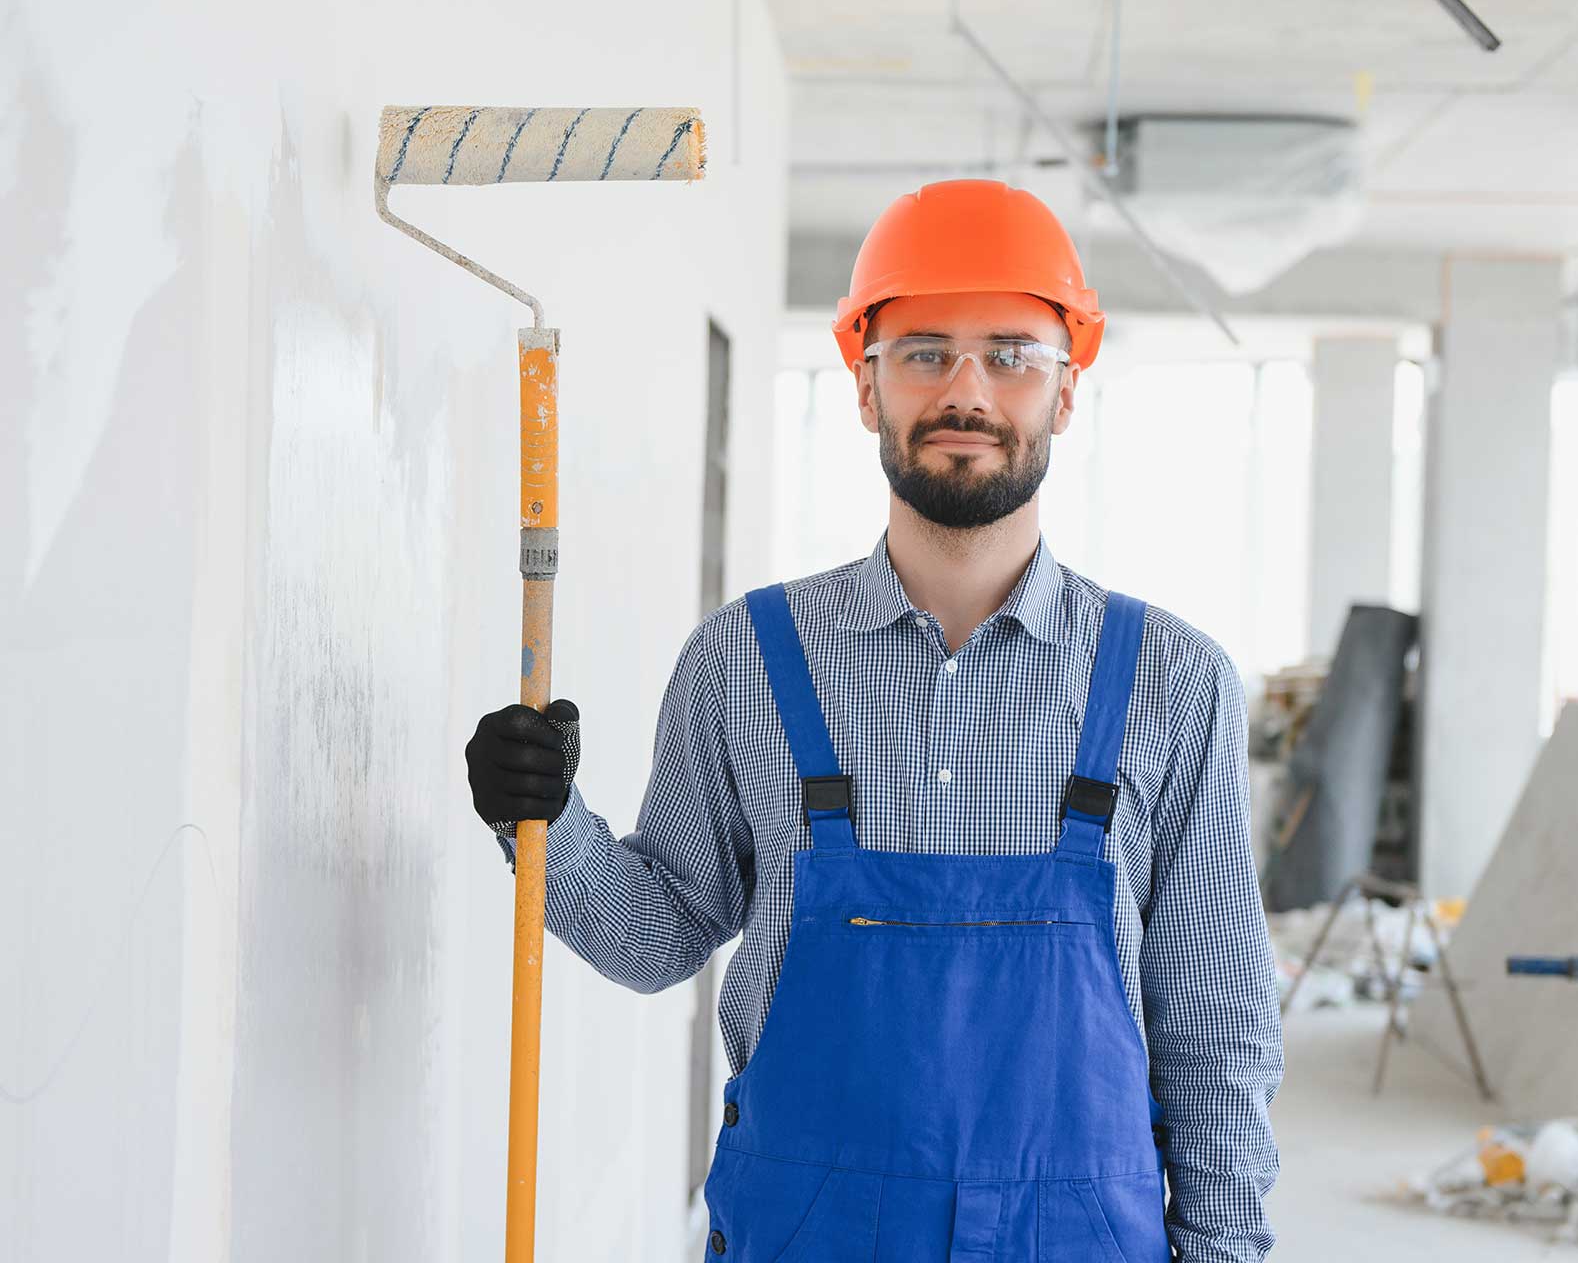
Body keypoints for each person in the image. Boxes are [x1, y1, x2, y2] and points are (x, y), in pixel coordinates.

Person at [465, 178, 1283, 1261]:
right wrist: (545, 820)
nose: (968, 389)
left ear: (1066, 393)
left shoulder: (1172, 683)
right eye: (925, 351)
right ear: (865, 386)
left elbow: (1216, 1037)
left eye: (1011, 354)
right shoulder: (747, 660)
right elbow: (657, 933)